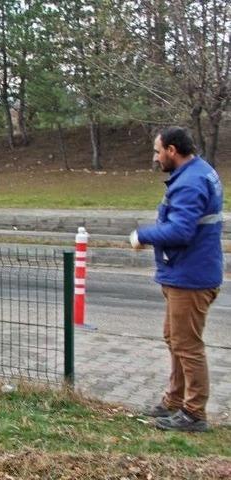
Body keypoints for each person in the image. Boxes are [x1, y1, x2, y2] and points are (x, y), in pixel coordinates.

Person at [131, 126, 224, 432]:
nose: (156, 158)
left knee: (187, 344)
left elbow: (181, 231)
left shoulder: (191, 182)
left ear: (172, 150)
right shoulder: (198, 172)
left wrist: (141, 235)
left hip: (191, 277)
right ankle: (174, 401)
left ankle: (194, 413)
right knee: (175, 339)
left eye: (158, 151)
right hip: (187, 272)